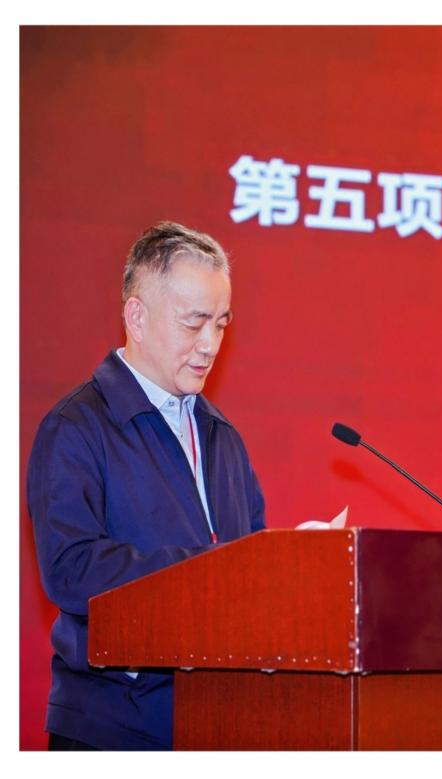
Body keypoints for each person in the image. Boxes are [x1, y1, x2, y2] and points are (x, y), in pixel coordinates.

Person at [27, 222, 266, 750]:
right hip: (112, 731)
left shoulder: (222, 436)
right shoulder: (76, 426)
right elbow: (71, 570)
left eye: (221, 324)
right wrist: (208, 570)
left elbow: (247, 564)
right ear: (136, 317)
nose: (210, 344)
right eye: (194, 322)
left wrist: (284, 567)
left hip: (216, 724)